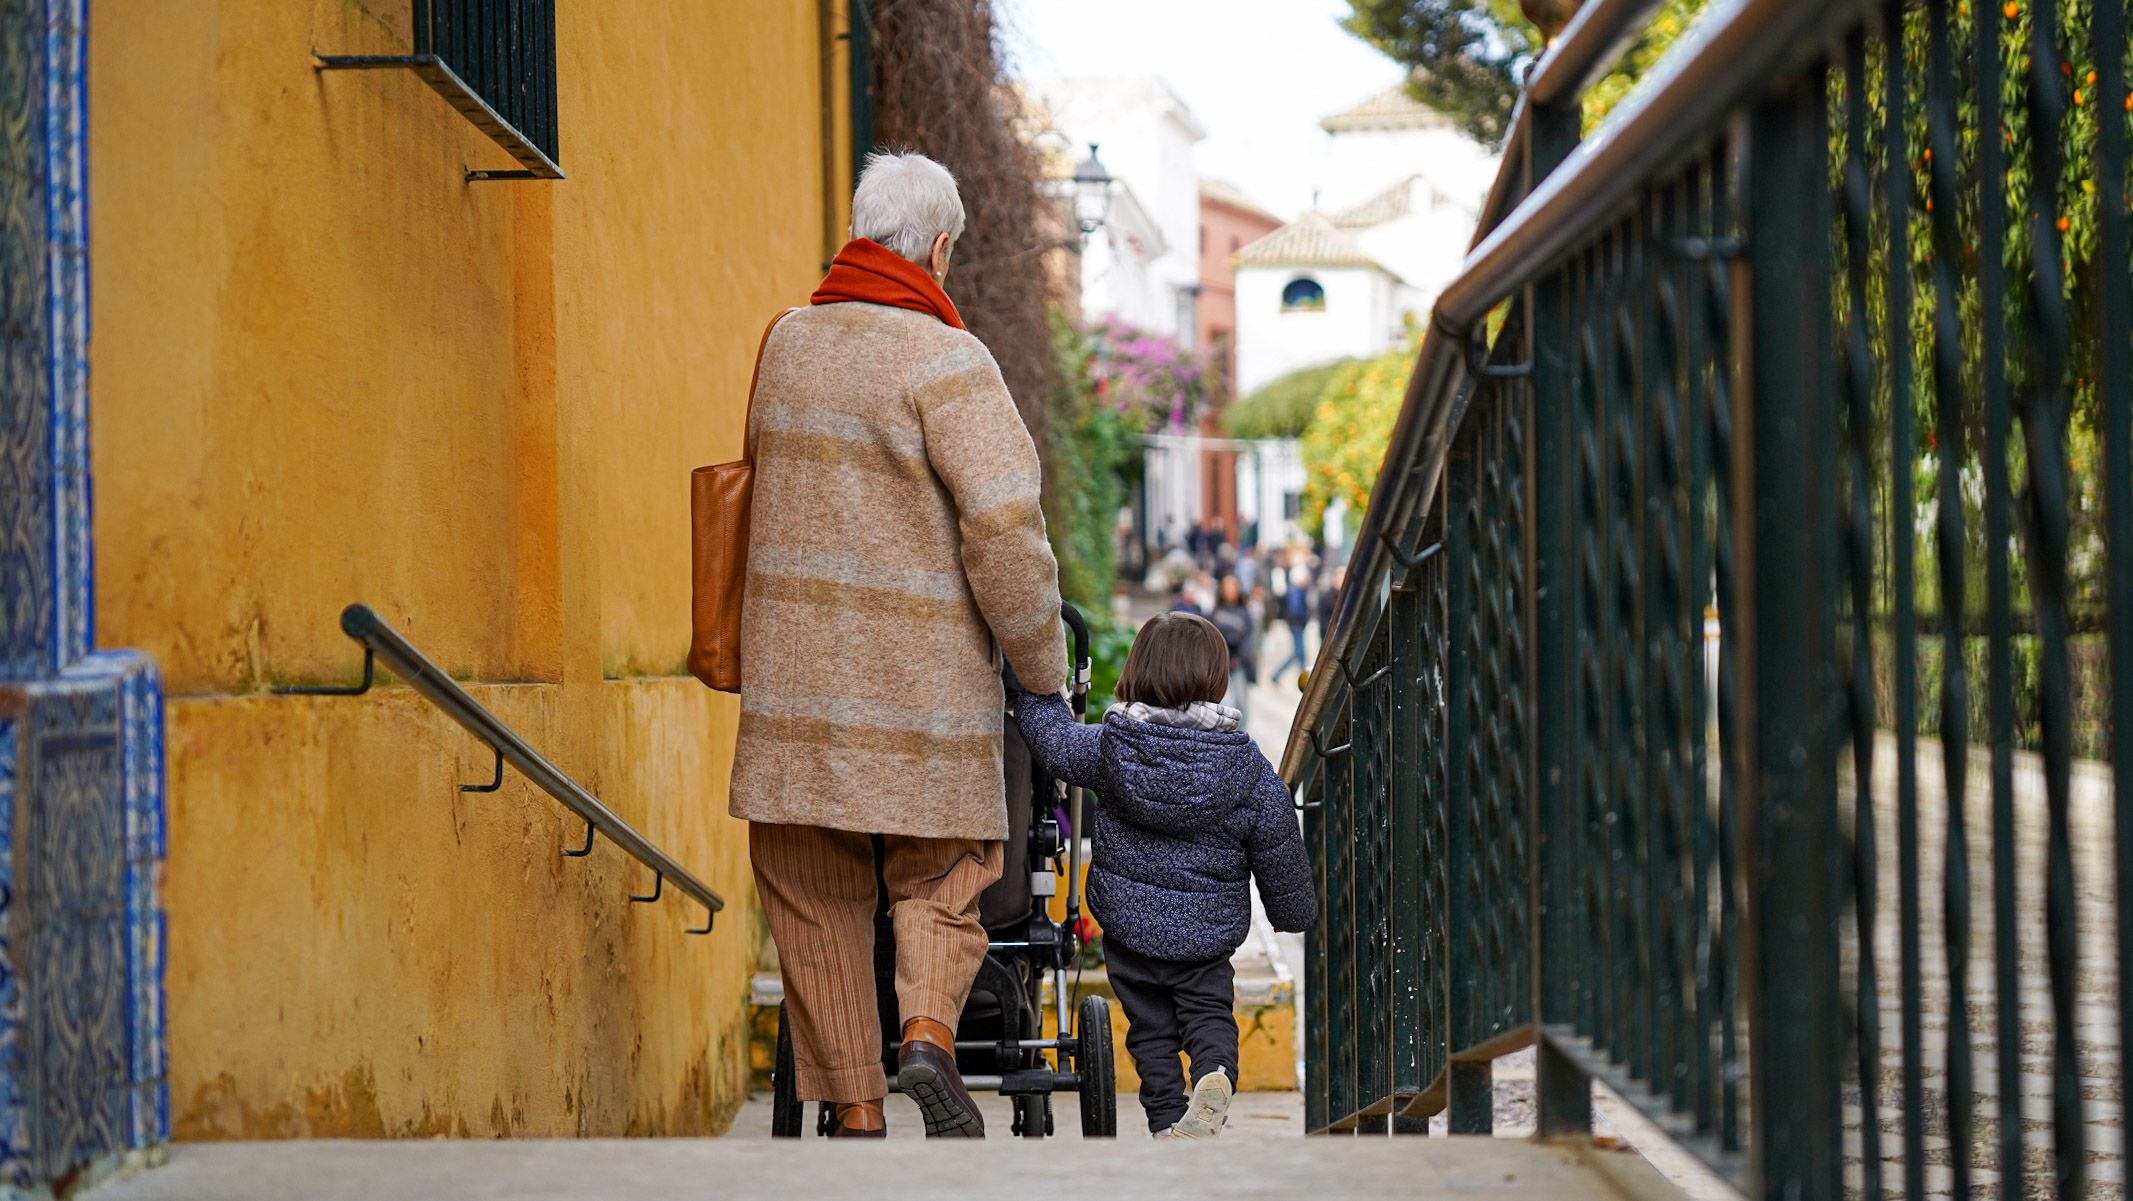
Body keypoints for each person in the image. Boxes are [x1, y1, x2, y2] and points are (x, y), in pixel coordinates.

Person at [729, 151, 1067, 1139]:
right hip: (922, 684)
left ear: (856, 227)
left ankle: (859, 1106)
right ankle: (925, 1031)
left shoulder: (787, 342)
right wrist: (1042, 670)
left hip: (794, 680)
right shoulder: (949, 360)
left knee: (811, 887)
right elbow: (1005, 527)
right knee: (946, 868)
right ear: (942, 246)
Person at [1007, 613, 1316, 1139]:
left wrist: (1028, 678)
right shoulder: (1244, 767)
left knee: (1150, 1032)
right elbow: (1277, 835)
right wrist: (1291, 912)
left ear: (1137, 670)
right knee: (1208, 1014)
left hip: (1130, 930)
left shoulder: (1112, 748)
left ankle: (1166, 1121)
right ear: (1216, 678)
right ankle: (1214, 1073)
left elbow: (1054, 740)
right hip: (1206, 935)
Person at [1209, 575, 1256, 733]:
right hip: (1221, 664)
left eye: (1232, 586)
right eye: (1226, 586)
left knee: (1241, 703)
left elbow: (1249, 638)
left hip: (1239, 663)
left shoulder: (1244, 613)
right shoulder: (1215, 612)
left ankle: (1241, 735)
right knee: (1225, 702)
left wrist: (1240, 658)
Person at [1271, 566, 1313, 684]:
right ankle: (1278, 674)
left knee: (1301, 653)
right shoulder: (1296, 591)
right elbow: (1296, 610)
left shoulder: (1298, 590)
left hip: (1297, 624)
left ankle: (1304, 678)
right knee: (1298, 652)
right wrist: (1304, 619)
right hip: (1296, 624)